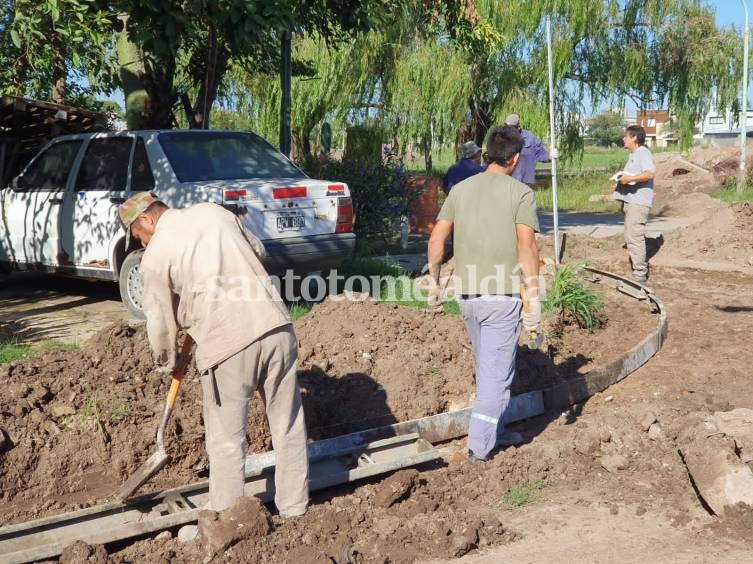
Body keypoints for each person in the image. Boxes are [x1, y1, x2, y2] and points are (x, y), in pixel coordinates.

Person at [118, 192, 309, 517]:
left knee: (226, 440)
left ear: (147, 220)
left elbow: (160, 321)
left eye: (139, 235)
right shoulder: (214, 212)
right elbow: (258, 251)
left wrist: (169, 360)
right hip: (276, 327)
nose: (142, 243)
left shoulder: (155, 256)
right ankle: (294, 508)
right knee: (288, 425)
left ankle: (227, 519)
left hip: (228, 344)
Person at [427, 125, 541, 462]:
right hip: (502, 299)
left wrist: (434, 283)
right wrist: (533, 297)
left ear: (487, 153)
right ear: (516, 158)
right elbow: (527, 245)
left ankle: (496, 432)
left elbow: (437, 238)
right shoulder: (520, 193)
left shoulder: (460, 190)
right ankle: (479, 448)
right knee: (495, 380)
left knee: (488, 368)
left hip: (468, 297)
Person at [613, 125, 655, 282]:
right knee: (631, 235)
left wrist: (629, 179)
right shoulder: (635, 154)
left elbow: (649, 173)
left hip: (639, 203)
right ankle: (638, 270)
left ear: (634, 138)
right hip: (632, 201)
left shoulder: (643, 153)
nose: (623, 139)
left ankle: (639, 274)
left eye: (626, 136)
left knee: (635, 236)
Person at [504, 114, 553, 186]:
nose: (509, 130)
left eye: (512, 127)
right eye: (507, 127)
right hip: (506, 181)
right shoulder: (501, 138)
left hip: (524, 182)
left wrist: (550, 156)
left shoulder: (530, 138)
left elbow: (539, 154)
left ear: (518, 127)